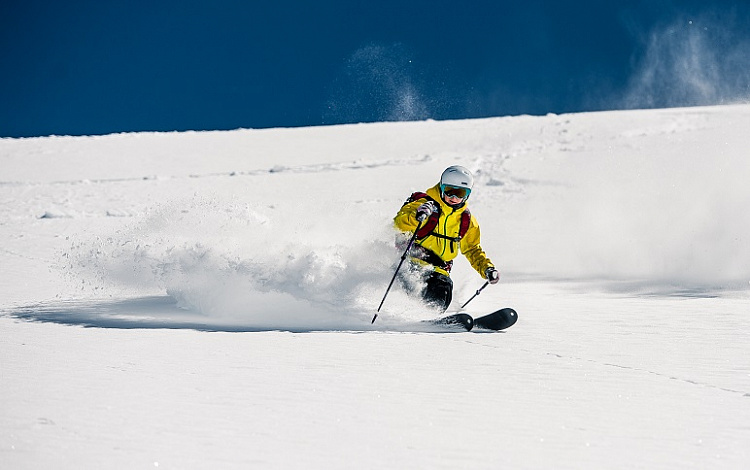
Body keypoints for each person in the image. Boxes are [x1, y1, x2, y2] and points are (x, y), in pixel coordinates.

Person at [393, 165, 499, 312]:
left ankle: (427, 318)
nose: (454, 198)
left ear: (467, 194)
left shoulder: (466, 220)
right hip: (410, 264)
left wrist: (486, 268)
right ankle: (399, 314)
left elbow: (472, 249)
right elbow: (398, 224)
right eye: (449, 191)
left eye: (460, 193)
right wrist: (417, 216)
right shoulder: (424, 205)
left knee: (442, 294)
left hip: (439, 271)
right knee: (410, 288)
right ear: (442, 188)